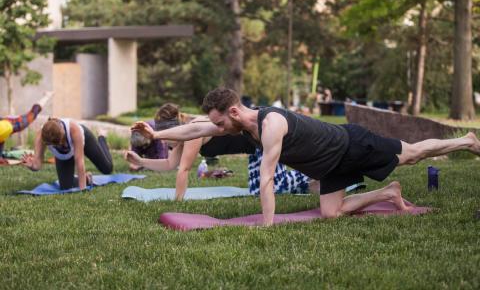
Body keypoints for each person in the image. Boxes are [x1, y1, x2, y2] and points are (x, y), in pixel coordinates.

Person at [132, 87, 480, 226]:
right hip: (330, 165)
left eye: (220, 121)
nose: (217, 128)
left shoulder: (272, 124)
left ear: (234, 111)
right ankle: (389, 193)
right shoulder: (238, 125)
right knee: (331, 213)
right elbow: (193, 130)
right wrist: (157, 133)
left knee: (415, 154)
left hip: (352, 145)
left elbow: (266, 178)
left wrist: (266, 226)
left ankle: (465, 140)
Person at [126, 105, 314, 200]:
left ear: (175, 128)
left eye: (165, 137)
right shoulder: (182, 137)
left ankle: (311, 174)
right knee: (261, 191)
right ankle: (315, 182)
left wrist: (177, 203)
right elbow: (169, 164)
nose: (164, 141)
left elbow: (183, 170)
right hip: (255, 148)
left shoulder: (193, 131)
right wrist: (140, 162)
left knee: (272, 189)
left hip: (264, 136)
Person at [22, 118, 113, 190]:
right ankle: (88, 178)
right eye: (56, 145)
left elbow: (79, 162)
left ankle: (102, 137)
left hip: (84, 140)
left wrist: (83, 189)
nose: (61, 145)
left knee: (107, 168)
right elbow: (37, 165)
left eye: (61, 142)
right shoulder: (40, 138)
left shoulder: (74, 129)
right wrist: (32, 165)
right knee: (66, 186)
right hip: (64, 155)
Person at [0, 91, 53, 164]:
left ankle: (47, 96)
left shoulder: (13, 125)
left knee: (33, 114)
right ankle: (47, 96)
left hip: (11, 123)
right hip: (5, 127)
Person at [128, 104, 178, 171]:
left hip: (156, 142)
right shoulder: (136, 133)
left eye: (144, 145)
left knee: (159, 157)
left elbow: (162, 156)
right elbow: (134, 152)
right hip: (150, 141)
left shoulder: (157, 134)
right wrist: (133, 163)